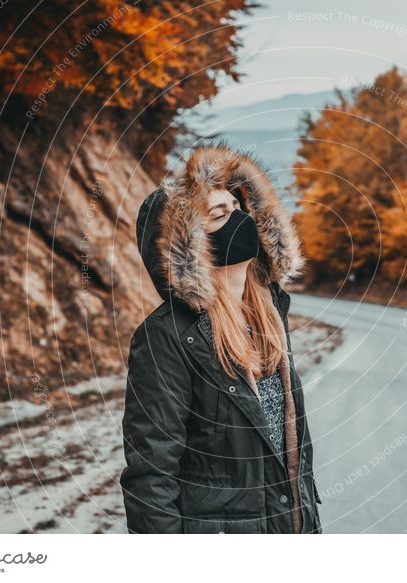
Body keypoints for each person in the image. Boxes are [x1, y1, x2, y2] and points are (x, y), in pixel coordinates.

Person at [120, 143, 323, 534]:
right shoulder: (167, 337)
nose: (240, 218)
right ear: (191, 245)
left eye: (238, 207)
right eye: (220, 214)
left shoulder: (270, 315)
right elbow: (151, 477)